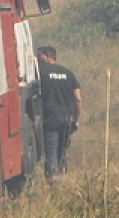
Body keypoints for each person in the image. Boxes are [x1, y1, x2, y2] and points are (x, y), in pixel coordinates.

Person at [37, 45, 83, 181]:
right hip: (67, 119)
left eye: (39, 56)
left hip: (50, 118)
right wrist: (76, 120)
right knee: (62, 150)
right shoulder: (68, 73)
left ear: (47, 56)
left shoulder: (40, 72)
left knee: (51, 149)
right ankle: (64, 177)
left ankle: (53, 181)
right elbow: (78, 98)